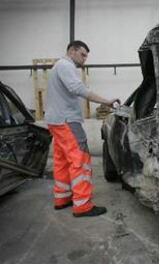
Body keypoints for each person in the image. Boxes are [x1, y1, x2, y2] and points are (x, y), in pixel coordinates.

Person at [45, 40, 120, 217]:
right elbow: (78, 89)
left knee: (62, 160)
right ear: (72, 51)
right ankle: (82, 205)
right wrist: (106, 101)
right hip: (67, 121)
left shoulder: (58, 66)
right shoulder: (65, 65)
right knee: (80, 160)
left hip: (56, 120)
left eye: (86, 56)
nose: (85, 59)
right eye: (83, 54)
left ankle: (62, 198)